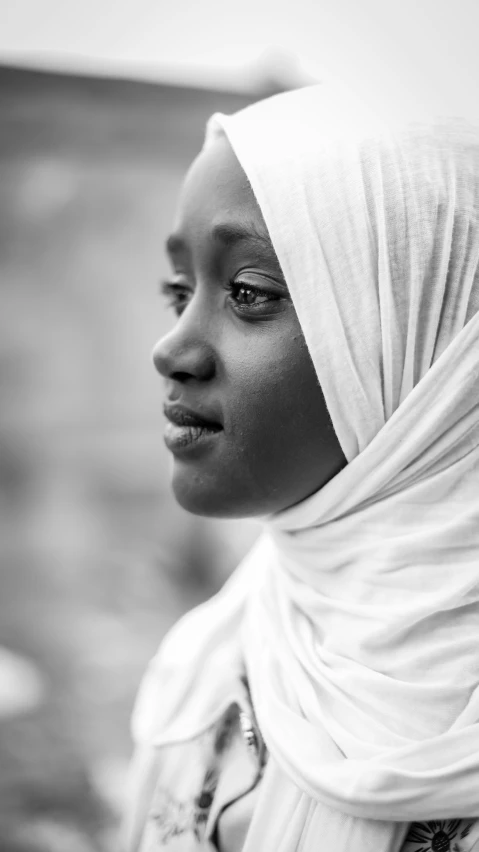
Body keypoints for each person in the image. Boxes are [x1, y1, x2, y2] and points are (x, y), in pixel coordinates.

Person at [123, 83, 479, 852]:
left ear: (436, 353)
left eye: (247, 292)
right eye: (178, 291)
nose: (172, 348)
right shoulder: (207, 664)